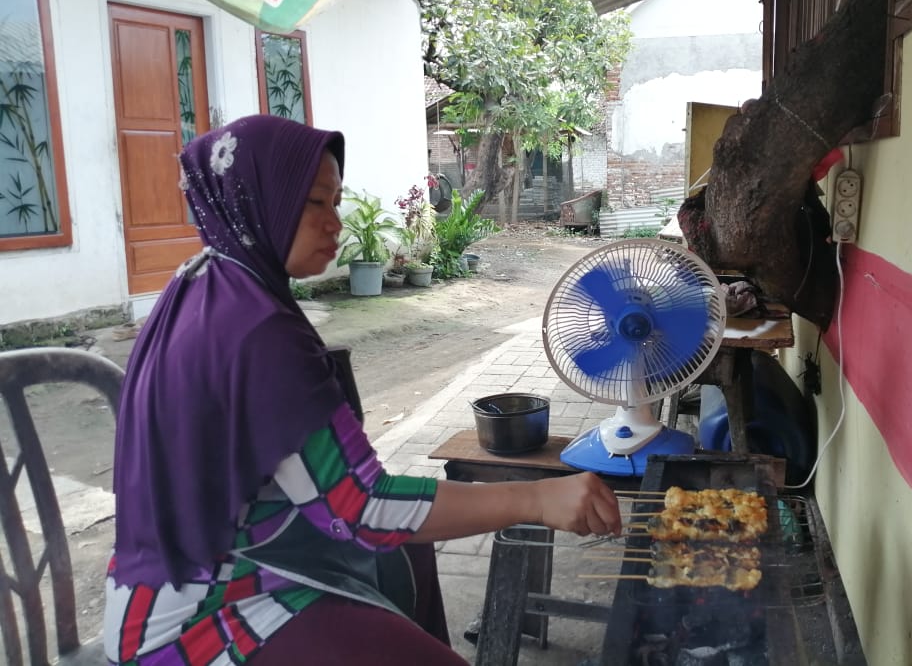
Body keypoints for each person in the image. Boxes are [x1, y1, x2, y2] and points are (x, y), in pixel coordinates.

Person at [103, 115, 621, 666]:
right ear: (259, 198)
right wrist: (536, 499)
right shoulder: (258, 330)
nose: (335, 222)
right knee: (398, 538)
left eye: (336, 201)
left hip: (172, 572)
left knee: (412, 551)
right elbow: (361, 505)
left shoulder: (205, 279)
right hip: (204, 609)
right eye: (314, 203)